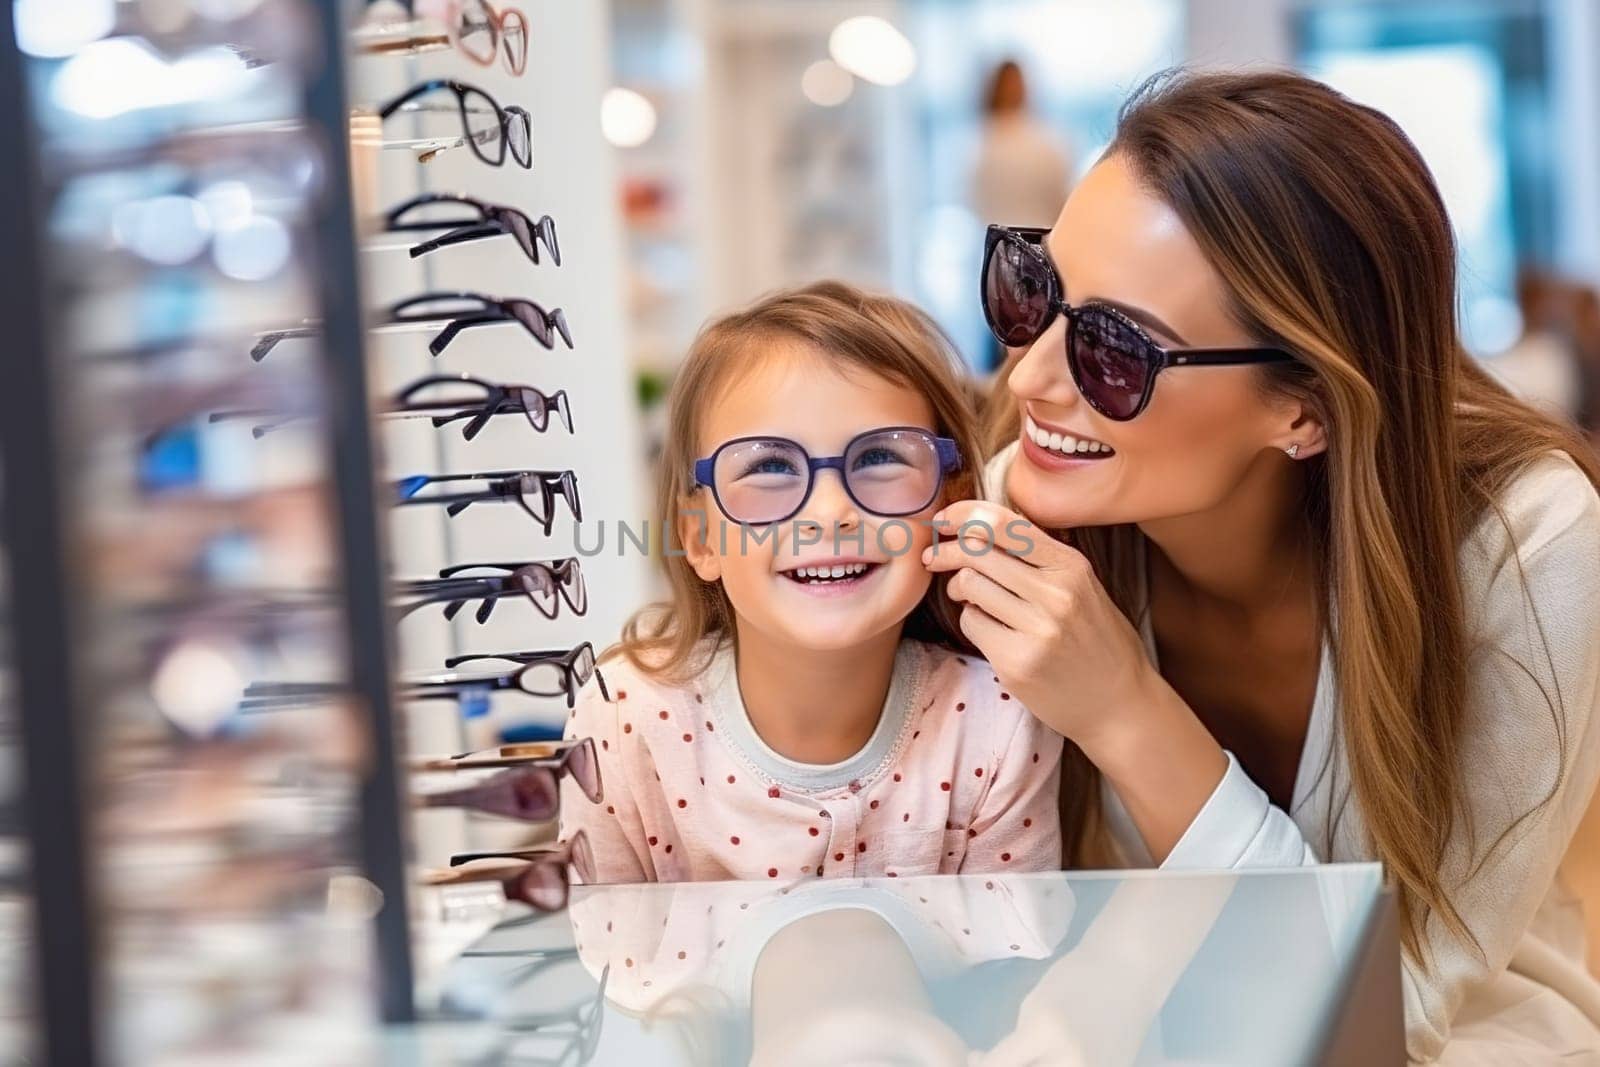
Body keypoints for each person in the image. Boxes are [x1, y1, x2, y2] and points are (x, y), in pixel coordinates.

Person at [932, 69, 1600, 1063]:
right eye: (1033, 291)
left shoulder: (1522, 546)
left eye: (1114, 351)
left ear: (1307, 408)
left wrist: (1125, 710)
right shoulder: (1014, 520)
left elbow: (1392, 1007)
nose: (1027, 376)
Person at [560, 282, 1062, 883]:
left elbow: (1012, 963)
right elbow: (610, 957)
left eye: (880, 458)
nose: (828, 512)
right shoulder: (622, 718)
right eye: (769, 466)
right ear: (699, 537)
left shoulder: (1000, 720)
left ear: (947, 504)